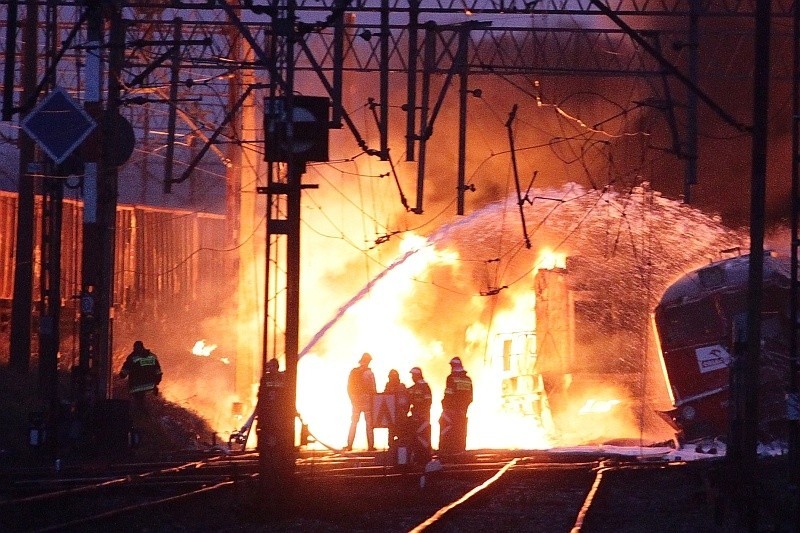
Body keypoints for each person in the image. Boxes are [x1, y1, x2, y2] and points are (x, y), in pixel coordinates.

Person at [439, 356, 473, 455]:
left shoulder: (451, 378)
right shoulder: (468, 379)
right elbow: (470, 397)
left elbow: (448, 395)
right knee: (461, 430)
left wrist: (445, 406)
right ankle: (460, 449)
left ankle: (448, 450)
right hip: (462, 411)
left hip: (451, 411)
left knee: (448, 429)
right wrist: (463, 409)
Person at [346, 352, 377, 451]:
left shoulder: (354, 372)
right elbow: (373, 388)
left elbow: (349, 387)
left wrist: (352, 399)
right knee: (369, 424)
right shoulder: (369, 373)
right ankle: (370, 446)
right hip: (367, 400)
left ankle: (349, 444)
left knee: (354, 422)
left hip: (355, 400)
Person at [119, 340, 162, 406]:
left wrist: (121, 375)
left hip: (136, 389)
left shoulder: (132, 358)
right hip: (151, 388)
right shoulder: (152, 357)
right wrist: (156, 382)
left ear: (134, 348)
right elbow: (158, 372)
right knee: (151, 409)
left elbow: (123, 373)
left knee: (138, 409)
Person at [407, 366, 432, 465]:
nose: (412, 377)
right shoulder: (414, 387)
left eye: (413, 375)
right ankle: (417, 456)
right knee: (416, 438)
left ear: (417, 375)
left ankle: (424, 457)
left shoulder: (425, 387)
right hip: (415, 417)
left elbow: (428, 402)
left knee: (423, 437)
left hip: (423, 417)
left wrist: (421, 413)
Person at [382, 369, 409, 452]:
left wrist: (404, 411)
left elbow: (405, 400)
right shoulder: (388, 386)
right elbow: (385, 398)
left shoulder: (401, 387)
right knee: (391, 431)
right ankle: (391, 447)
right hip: (391, 414)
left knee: (401, 434)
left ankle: (399, 448)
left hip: (400, 414)